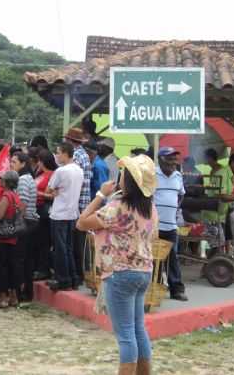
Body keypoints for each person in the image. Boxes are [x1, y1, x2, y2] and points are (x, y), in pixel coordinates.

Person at [77, 154, 158, 375]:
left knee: (125, 334)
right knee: (138, 329)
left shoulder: (116, 207)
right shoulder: (150, 208)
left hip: (120, 274)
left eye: (123, 173)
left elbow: (82, 222)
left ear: (128, 180)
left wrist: (101, 194)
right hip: (143, 271)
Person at [46, 142, 84, 292]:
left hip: (59, 213)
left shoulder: (61, 171)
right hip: (72, 213)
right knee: (68, 247)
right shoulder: (79, 170)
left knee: (60, 248)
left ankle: (63, 279)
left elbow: (49, 189)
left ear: (64, 153)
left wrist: (54, 191)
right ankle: (73, 277)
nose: (56, 155)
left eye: (58, 152)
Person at [155, 147, 188, 302]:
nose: (173, 162)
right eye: (170, 158)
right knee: (153, 257)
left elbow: (181, 195)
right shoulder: (153, 174)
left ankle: (177, 290)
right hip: (154, 226)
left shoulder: (178, 176)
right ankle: (154, 287)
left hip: (171, 225)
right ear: (161, 159)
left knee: (172, 257)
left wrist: (174, 209)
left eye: (175, 159)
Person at [0, 171, 25, 309]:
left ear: (6, 182)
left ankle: (3, 298)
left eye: (2, 179)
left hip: (4, 237)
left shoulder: (6, 196)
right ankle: (14, 297)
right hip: (14, 237)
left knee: (2, 268)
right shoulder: (16, 196)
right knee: (13, 268)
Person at [10, 152, 39, 302]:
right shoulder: (29, 178)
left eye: (14, 162)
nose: (11, 165)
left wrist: (15, 220)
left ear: (23, 163)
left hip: (25, 222)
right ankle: (27, 292)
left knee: (20, 259)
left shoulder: (22, 180)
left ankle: (20, 293)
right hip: (31, 222)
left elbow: (22, 204)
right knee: (27, 260)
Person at [65, 127, 92, 285]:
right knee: (81, 242)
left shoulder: (75, 156)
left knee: (75, 243)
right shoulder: (85, 155)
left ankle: (79, 274)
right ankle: (84, 272)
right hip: (84, 203)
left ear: (70, 141)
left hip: (77, 203)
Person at [33, 149, 58, 281]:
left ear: (43, 162)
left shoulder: (53, 175)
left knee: (44, 241)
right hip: (36, 209)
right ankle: (39, 267)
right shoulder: (40, 174)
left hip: (44, 209)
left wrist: (38, 193)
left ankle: (44, 269)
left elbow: (53, 195)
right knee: (38, 240)